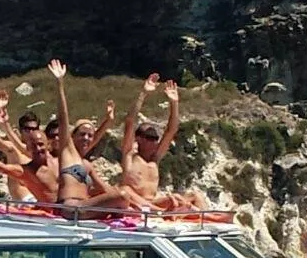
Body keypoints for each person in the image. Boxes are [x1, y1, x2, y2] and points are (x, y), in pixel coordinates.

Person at [48, 59, 153, 214]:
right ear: (72, 136)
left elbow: (105, 189)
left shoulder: (86, 165)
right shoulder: (67, 153)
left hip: (84, 207)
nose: (87, 138)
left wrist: (128, 199)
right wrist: (60, 83)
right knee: (122, 195)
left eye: (90, 136)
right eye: (82, 134)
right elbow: (63, 119)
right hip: (71, 208)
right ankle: (146, 212)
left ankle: (152, 212)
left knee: (123, 193)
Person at [121, 75, 204, 210]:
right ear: (138, 138)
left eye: (155, 138)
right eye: (149, 137)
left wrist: (174, 103)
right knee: (174, 199)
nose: (154, 141)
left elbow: (171, 130)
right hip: (135, 205)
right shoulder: (130, 155)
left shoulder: (155, 159)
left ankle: (206, 221)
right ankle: (168, 213)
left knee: (195, 196)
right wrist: (144, 93)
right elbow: (130, 121)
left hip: (153, 204)